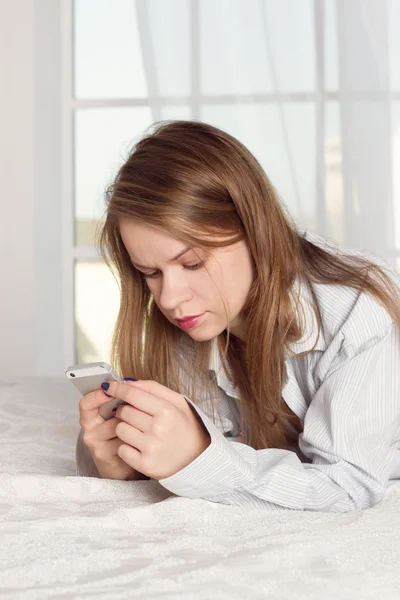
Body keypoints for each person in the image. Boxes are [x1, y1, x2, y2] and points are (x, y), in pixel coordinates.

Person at [76, 119, 400, 512]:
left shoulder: (357, 313)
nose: (170, 298)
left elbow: (347, 487)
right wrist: (119, 458)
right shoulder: (188, 327)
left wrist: (199, 458)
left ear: (254, 232)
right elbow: (214, 444)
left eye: (193, 263)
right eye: (151, 273)